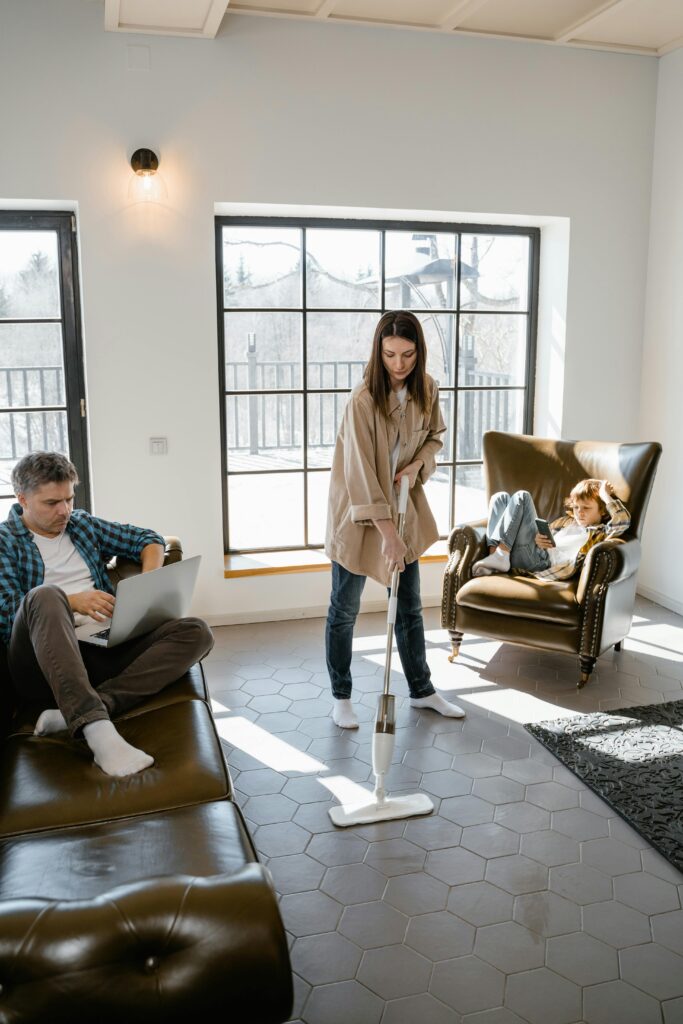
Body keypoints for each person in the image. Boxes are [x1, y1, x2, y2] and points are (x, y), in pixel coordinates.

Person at [0, 451, 214, 777]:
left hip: (101, 644)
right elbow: (5, 612)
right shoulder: (4, 542)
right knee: (45, 596)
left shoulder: (82, 525)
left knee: (196, 631)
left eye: (69, 498)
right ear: (23, 499)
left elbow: (149, 539)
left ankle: (82, 710)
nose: (64, 510)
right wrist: (71, 601)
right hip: (43, 663)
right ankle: (99, 733)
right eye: (52, 503)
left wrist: (148, 581)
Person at [324, 310, 465, 729]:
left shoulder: (427, 390)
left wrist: (417, 465)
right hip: (358, 517)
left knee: (409, 609)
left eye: (407, 354)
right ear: (378, 351)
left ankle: (421, 690)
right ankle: (342, 697)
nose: (398, 364)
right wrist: (387, 535)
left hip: (404, 512)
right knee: (344, 610)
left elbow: (435, 437)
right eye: (389, 354)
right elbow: (360, 474)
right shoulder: (362, 399)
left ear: (419, 351)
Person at [471, 478, 630, 581]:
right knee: (500, 498)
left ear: (602, 511)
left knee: (522, 496)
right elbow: (540, 536)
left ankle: (501, 554)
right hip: (529, 551)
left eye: (586, 508)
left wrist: (605, 496)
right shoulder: (565, 522)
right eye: (576, 507)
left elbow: (622, 522)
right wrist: (538, 540)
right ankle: (495, 556)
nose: (579, 512)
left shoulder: (600, 532)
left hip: (541, 562)